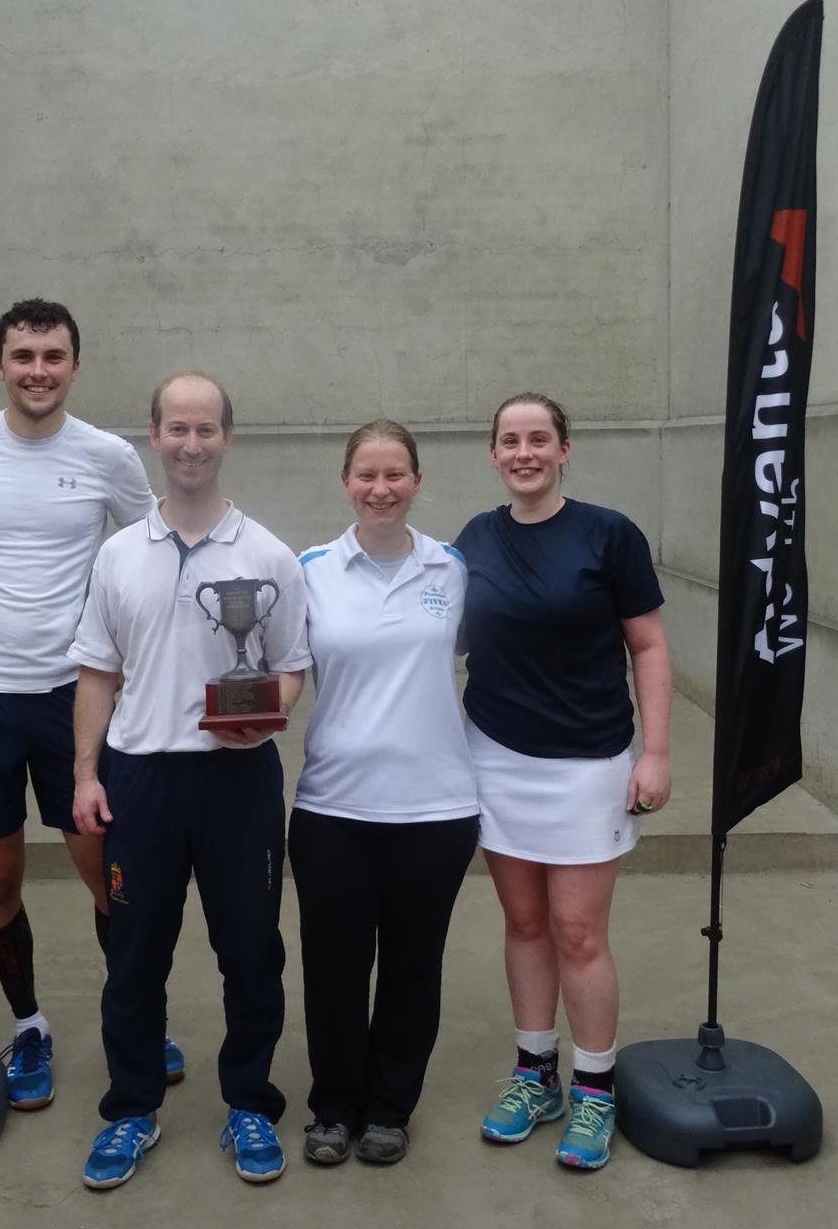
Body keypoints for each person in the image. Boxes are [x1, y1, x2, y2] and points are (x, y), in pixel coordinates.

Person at [0, 298, 184, 1111]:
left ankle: (136, 1020)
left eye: (53, 356)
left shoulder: (108, 457)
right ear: (0, 365)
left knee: (106, 876)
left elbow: (151, 552)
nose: (38, 371)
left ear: (75, 366)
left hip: (74, 700)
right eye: (23, 356)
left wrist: (139, 660)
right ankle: (28, 1028)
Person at [68, 372, 312, 1191]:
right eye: (177, 428)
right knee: (135, 955)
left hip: (239, 783)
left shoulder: (268, 553)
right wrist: (84, 775)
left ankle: (249, 1102)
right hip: (140, 782)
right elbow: (98, 674)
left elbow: (290, 670)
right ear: (154, 437)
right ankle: (132, 1110)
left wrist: (264, 714)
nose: (191, 443)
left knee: (251, 955)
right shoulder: (116, 554)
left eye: (206, 429)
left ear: (227, 439)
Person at [455, 391, 672, 1172]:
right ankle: (534, 1074)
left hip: (589, 761)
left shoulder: (609, 534)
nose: (524, 452)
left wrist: (657, 752)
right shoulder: (475, 537)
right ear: (493, 454)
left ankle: (594, 1088)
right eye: (510, 440)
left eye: (539, 439)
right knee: (523, 923)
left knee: (579, 930)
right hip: (496, 759)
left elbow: (647, 645)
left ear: (564, 449)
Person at [291, 420, 479, 1168]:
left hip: (436, 810)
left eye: (395, 474)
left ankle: (389, 1109)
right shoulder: (310, 570)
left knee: (411, 965)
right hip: (332, 808)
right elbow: (278, 671)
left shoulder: (454, 570)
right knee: (333, 968)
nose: (381, 488)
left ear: (417, 481)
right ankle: (334, 1107)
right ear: (345, 481)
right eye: (367, 475)